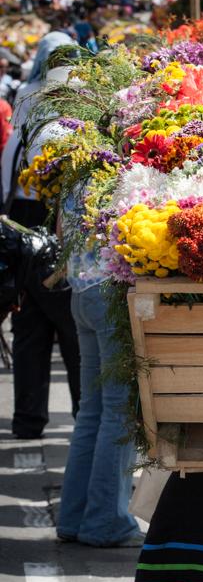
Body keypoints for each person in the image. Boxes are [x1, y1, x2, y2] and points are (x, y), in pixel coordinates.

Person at [1, 32, 81, 440]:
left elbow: (6, 167)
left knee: (30, 324)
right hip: (54, 221)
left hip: (20, 223)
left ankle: (28, 420)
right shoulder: (68, 105)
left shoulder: (25, 102)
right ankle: (85, 414)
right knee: (71, 324)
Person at [55, 183, 143, 549]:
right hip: (108, 294)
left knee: (92, 411)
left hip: (81, 292)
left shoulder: (77, 173)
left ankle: (74, 518)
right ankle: (106, 520)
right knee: (118, 413)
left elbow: (61, 231)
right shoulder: (113, 174)